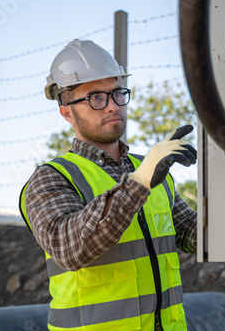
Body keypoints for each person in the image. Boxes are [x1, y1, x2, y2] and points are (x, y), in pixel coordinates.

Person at [19, 39, 198, 331]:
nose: (112, 106)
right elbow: (70, 248)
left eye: (117, 93)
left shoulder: (151, 169)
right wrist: (139, 182)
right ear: (67, 112)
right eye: (96, 98)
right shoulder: (51, 178)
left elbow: (191, 235)